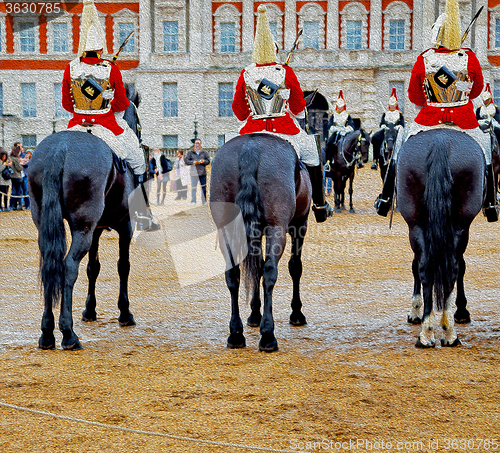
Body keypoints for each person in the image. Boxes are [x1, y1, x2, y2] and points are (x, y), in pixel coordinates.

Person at [374, 0, 498, 222]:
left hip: (428, 120)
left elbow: (414, 96)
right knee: (487, 149)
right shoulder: (468, 57)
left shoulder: (425, 58)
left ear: (436, 35)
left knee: (400, 146)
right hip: (464, 120)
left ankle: (385, 198)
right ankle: (490, 203)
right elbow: (477, 90)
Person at [61, 0, 159, 231]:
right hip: (107, 125)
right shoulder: (110, 68)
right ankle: (142, 213)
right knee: (137, 160)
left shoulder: (71, 68)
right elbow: (122, 104)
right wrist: (108, 97)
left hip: (75, 125)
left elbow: (67, 104)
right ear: (100, 46)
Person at [231, 5, 333, 222]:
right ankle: (320, 205)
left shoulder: (246, 73)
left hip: (251, 129)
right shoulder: (284, 71)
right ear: (275, 52)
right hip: (285, 130)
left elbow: (239, 112)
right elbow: (297, 107)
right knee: (313, 154)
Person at [370, 88, 405, 170]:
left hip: (395, 131)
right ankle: (375, 160)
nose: (391, 106)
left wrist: (398, 126)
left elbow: (402, 124)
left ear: (395, 105)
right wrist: (383, 126)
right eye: (390, 104)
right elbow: (381, 123)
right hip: (387, 130)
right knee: (375, 138)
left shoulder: (399, 114)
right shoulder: (385, 113)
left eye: (393, 105)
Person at [184, 139, 210, 205]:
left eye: (199, 143)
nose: (197, 144)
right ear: (194, 144)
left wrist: (204, 161)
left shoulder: (204, 152)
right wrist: (192, 162)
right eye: (196, 143)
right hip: (193, 173)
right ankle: (193, 201)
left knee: (203, 188)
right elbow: (186, 161)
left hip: (202, 173)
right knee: (193, 188)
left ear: (200, 144)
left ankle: (204, 201)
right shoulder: (190, 152)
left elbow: (208, 161)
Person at [9, 146, 24, 211]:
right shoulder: (16, 159)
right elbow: (19, 168)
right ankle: (19, 206)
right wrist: (21, 165)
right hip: (17, 176)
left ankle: (13, 205)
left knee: (14, 191)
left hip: (12, 177)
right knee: (19, 192)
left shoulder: (11, 158)